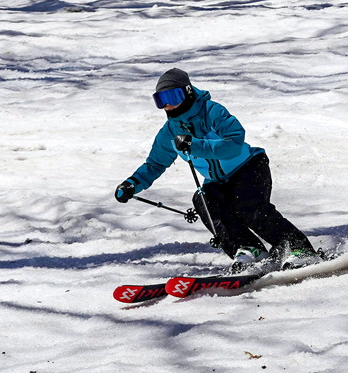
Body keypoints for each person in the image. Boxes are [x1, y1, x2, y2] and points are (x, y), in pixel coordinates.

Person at [114, 67, 318, 269]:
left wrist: (196, 145)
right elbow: (155, 163)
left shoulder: (212, 111)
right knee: (204, 201)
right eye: (160, 101)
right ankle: (249, 249)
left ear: (187, 92)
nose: (168, 105)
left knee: (249, 208)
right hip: (217, 181)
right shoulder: (169, 132)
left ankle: (300, 249)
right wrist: (133, 184)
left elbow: (234, 144)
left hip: (248, 167)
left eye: (173, 97)